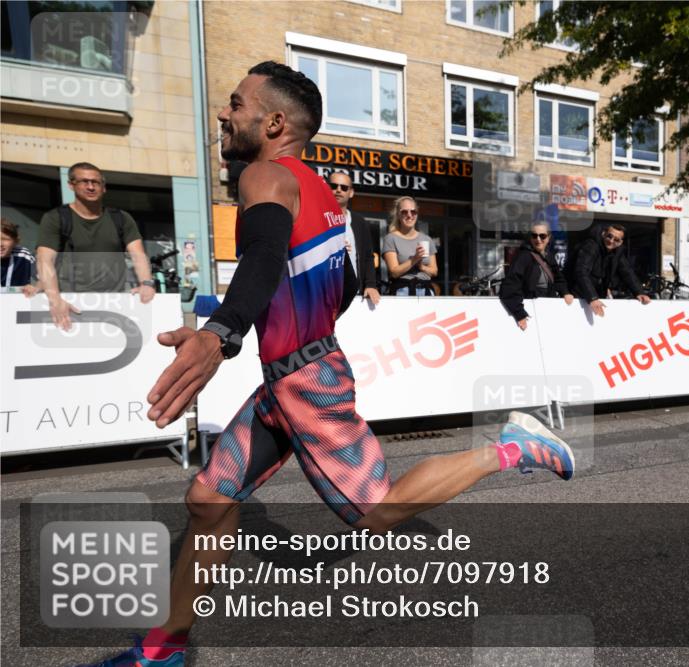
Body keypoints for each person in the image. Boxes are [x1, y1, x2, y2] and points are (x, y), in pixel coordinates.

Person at [79, 61, 575, 667]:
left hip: (304, 381)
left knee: (375, 511)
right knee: (209, 499)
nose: (224, 113)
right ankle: (161, 652)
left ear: (275, 122)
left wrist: (221, 333)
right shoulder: (328, 201)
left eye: (236, 103)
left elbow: (261, 258)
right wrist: (285, 329)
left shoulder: (264, 174)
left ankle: (511, 446)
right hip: (288, 378)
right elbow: (334, 288)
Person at [35, 162, 156, 330]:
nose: (91, 187)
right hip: (69, 301)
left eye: (96, 182)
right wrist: (55, 299)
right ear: (71, 185)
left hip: (114, 302)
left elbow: (138, 255)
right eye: (84, 181)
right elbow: (44, 260)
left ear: (104, 187)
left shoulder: (121, 218)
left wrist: (146, 283)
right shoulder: (56, 218)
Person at [499, 222, 574, 330]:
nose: (538, 239)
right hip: (530, 311)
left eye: (542, 236)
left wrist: (565, 292)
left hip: (549, 309)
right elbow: (511, 285)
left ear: (549, 238)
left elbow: (559, 278)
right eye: (534, 236)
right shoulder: (523, 256)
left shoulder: (549, 256)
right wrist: (519, 313)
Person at [571, 223, 650, 317]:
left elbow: (627, 272)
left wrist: (639, 292)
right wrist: (592, 297)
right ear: (603, 234)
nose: (611, 241)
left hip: (596, 296)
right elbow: (581, 271)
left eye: (616, 240)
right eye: (609, 236)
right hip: (578, 295)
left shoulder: (617, 252)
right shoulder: (591, 246)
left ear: (620, 242)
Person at [328, 170, 380, 306]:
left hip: (354, 294)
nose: (338, 190)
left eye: (344, 187)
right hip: (325, 291)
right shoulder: (317, 219)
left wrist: (370, 285)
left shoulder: (359, 221)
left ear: (351, 192)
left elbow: (368, 257)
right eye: (334, 186)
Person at [381, 196, 437, 296]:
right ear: (398, 214)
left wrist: (421, 267)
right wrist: (414, 259)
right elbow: (394, 272)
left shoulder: (426, 239)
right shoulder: (391, 238)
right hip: (403, 290)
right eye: (404, 212)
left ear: (417, 214)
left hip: (426, 290)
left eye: (413, 211)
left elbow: (434, 271)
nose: (409, 215)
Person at [1, 218, 35, 289]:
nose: (0, 244)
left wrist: (35, 286)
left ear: (16, 242)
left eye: (5, 239)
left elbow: (45, 280)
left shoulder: (24, 256)